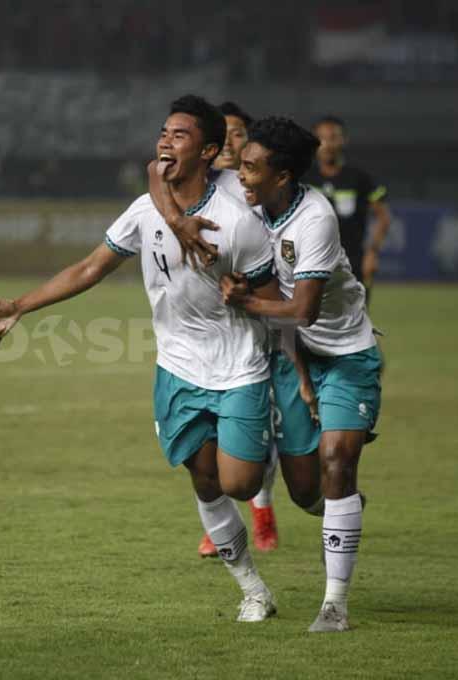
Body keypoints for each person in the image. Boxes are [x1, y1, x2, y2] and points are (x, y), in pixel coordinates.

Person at [0, 95, 281, 622]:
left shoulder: (237, 220)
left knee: (240, 483)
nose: (165, 141)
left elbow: (275, 297)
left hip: (240, 364)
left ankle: (267, 447)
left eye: (179, 135)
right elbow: (90, 268)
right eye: (163, 132)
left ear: (208, 151)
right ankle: (253, 590)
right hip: (178, 368)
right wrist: (21, 305)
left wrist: (245, 294)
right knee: (204, 480)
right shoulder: (144, 210)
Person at [223, 116, 382, 632]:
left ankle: (334, 605)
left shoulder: (315, 219)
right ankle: (342, 505)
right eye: (241, 164)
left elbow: (304, 310)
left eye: (251, 167)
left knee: (337, 459)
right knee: (304, 490)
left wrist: (245, 301)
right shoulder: (250, 206)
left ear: (283, 176)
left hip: (345, 354)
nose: (241, 175)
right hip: (291, 357)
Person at [147, 101, 281, 558]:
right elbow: (154, 171)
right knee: (219, 465)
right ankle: (231, 511)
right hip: (224, 328)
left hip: (270, 311)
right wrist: (176, 221)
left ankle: (262, 489)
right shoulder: (201, 186)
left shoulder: (255, 191)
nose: (231, 143)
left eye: (239, 133)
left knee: (259, 442)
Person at [304, 115, 391, 303]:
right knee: (310, 317)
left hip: (353, 262)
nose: (327, 144)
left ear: (344, 140)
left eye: (333, 137)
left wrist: (372, 253)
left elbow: (383, 217)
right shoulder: (303, 178)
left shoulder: (360, 178)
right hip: (311, 261)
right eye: (321, 138)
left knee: (356, 317)